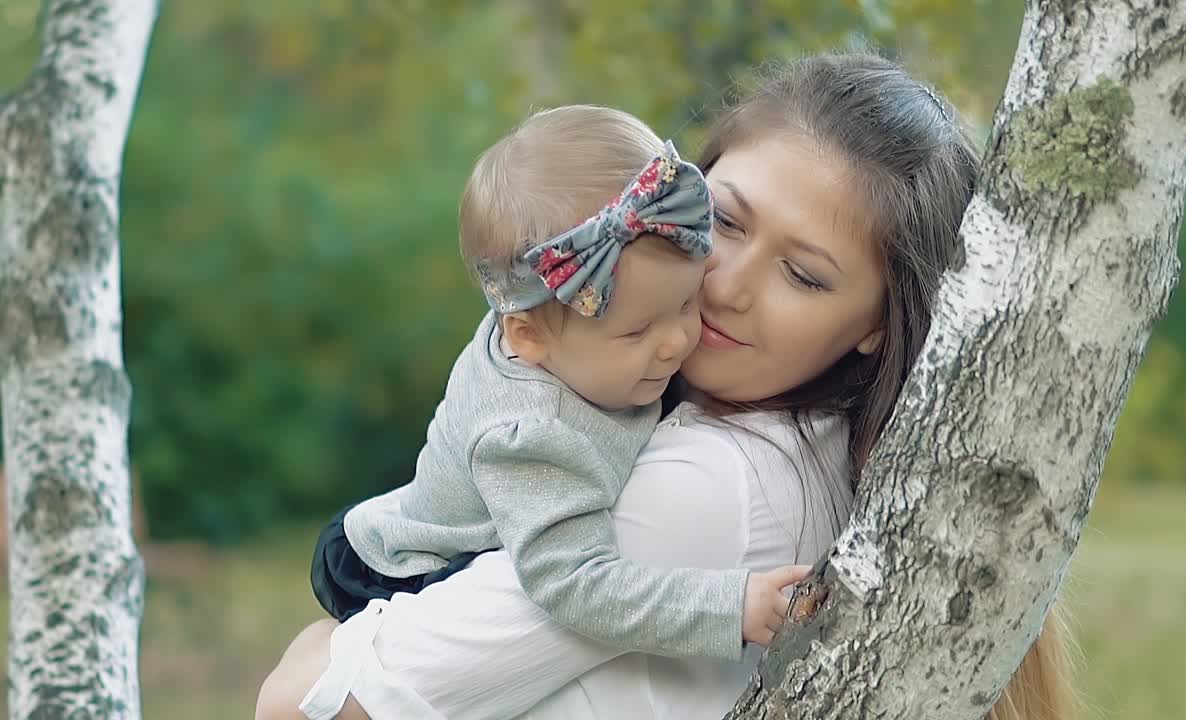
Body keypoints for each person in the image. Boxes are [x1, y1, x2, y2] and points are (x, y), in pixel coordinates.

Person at [257, 52, 1073, 720]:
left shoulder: (706, 487)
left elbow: (303, 706)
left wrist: (316, 645)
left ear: (878, 326)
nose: (725, 286)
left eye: (803, 275)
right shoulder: (796, 443)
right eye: (723, 220)